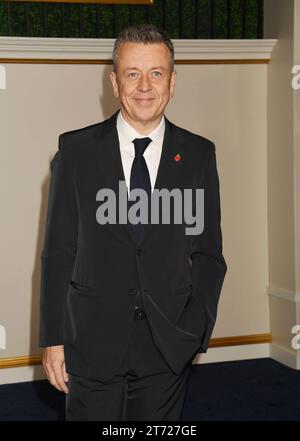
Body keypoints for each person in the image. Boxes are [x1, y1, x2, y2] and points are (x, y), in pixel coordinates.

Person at [39, 23, 227, 421]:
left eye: (156, 73)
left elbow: (208, 254)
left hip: (167, 347)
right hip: (90, 342)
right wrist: (54, 339)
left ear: (172, 82)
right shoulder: (75, 152)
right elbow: (59, 253)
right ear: (114, 81)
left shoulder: (198, 155)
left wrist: (195, 329)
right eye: (132, 73)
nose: (145, 85)